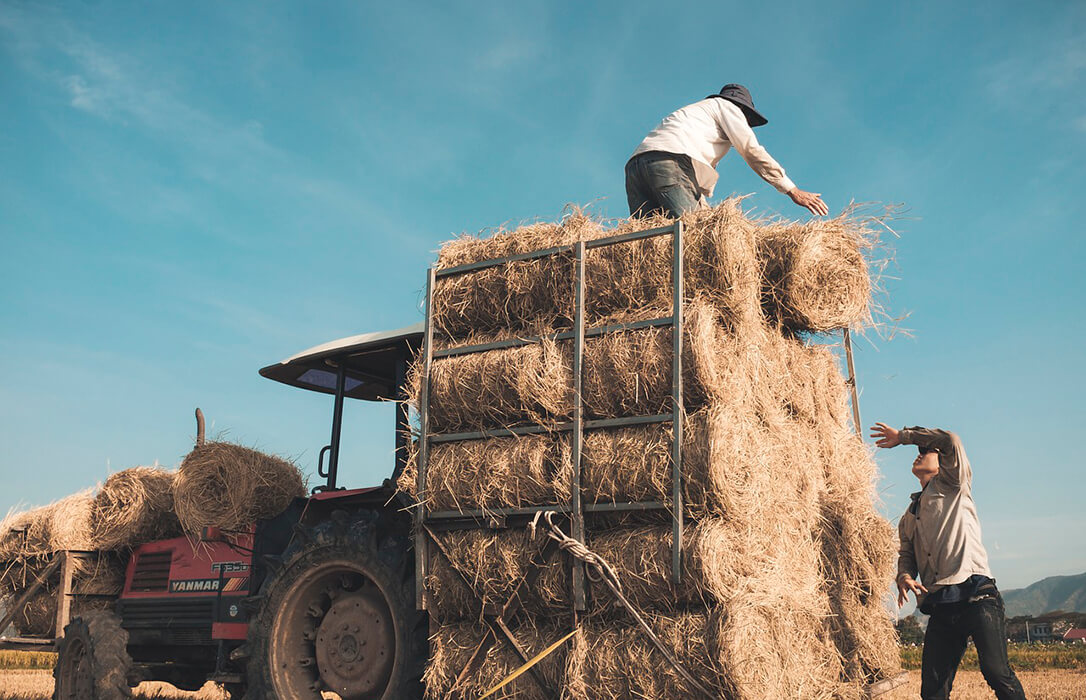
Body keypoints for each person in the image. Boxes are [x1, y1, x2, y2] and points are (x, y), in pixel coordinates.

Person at [870, 422, 1026, 700]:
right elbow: (906, 554)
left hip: (977, 595)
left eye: (928, 451)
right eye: (919, 451)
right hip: (941, 604)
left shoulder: (953, 484)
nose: (919, 455)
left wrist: (903, 437)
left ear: (943, 463)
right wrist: (904, 576)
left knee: (995, 672)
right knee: (932, 692)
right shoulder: (909, 515)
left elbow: (951, 439)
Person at [625, 83, 828, 219]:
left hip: (635, 168)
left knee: (647, 241)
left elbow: (691, 181)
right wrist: (792, 190)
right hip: (669, 162)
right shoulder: (728, 108)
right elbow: (751, 150)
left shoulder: (697, 122)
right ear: (743, 110)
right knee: (694, 238)